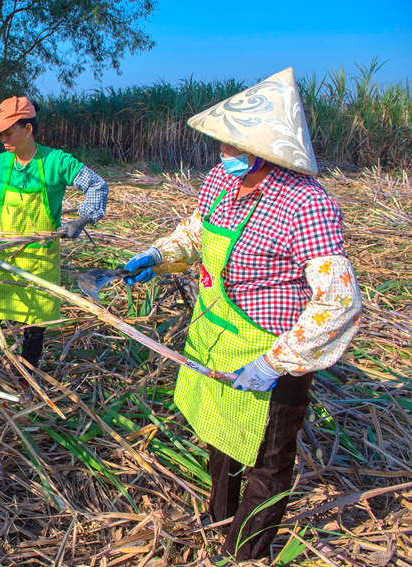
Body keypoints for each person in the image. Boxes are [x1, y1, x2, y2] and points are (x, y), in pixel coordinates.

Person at [122, 68, 362, 562]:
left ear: (265, 150)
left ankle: (244, 552)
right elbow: (196, 232)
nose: (222, 155)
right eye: (223, 145)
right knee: (221, 434)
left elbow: (338, 301)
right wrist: (160, 254)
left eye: (232, 147)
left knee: (268, 458)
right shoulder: (218, 183)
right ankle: (220, 519)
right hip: (216, 338)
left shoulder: (306, 204)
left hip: (271, 350)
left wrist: (277, 363)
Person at [0, 96, 109, 382]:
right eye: (0, 133)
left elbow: (97, 185)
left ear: (28, 129)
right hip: (3, 257)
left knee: (35, 323)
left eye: (8, 132)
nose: (3, 139)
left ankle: (27, 380)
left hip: (40, 259)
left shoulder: (56, 162)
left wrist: (81, 219)